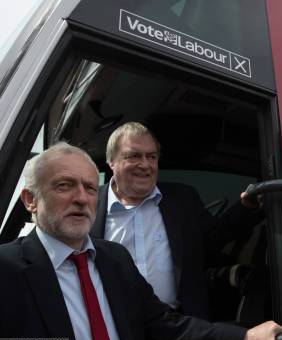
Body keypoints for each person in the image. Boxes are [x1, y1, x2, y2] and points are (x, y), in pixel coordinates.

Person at [0, 142, 282, 340]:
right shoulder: (7, 267)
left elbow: (165, 323)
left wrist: (244, 335)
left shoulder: (114, 258)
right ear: (30, 200)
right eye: (64, 186)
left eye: (90, 188)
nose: (81, 198)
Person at [90, 122, 262, 318]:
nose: (145, 165)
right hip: (116, 329)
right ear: (112, 161)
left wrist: (246, 207)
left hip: (178, 327)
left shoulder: (182, 200)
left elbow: (214, 239)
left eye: (152, 156)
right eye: (134, 156)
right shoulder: (89, 206)